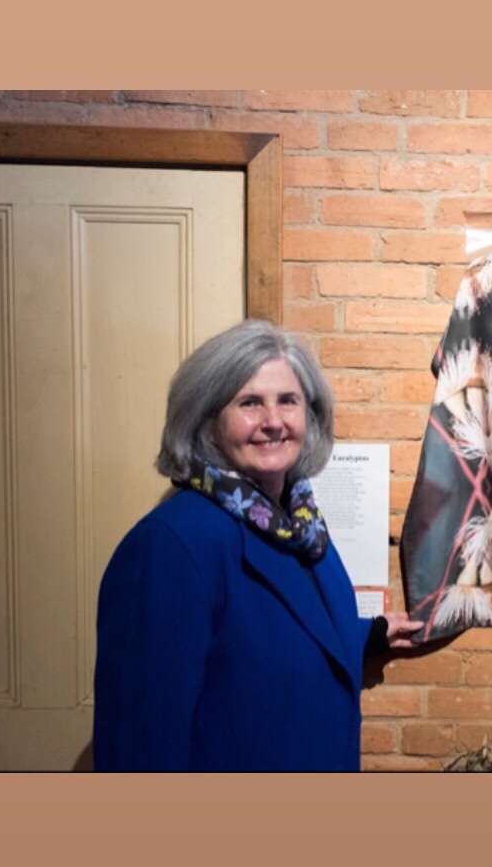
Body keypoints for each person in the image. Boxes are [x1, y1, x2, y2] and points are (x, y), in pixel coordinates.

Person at [92, 321, 422, 770]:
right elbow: (140, 748)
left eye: (288, 401)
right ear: (207, 420)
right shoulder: (169, 546)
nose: (273, 421)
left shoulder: (299, 523)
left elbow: (266, 634)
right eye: (249, 403)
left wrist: (366, 634)